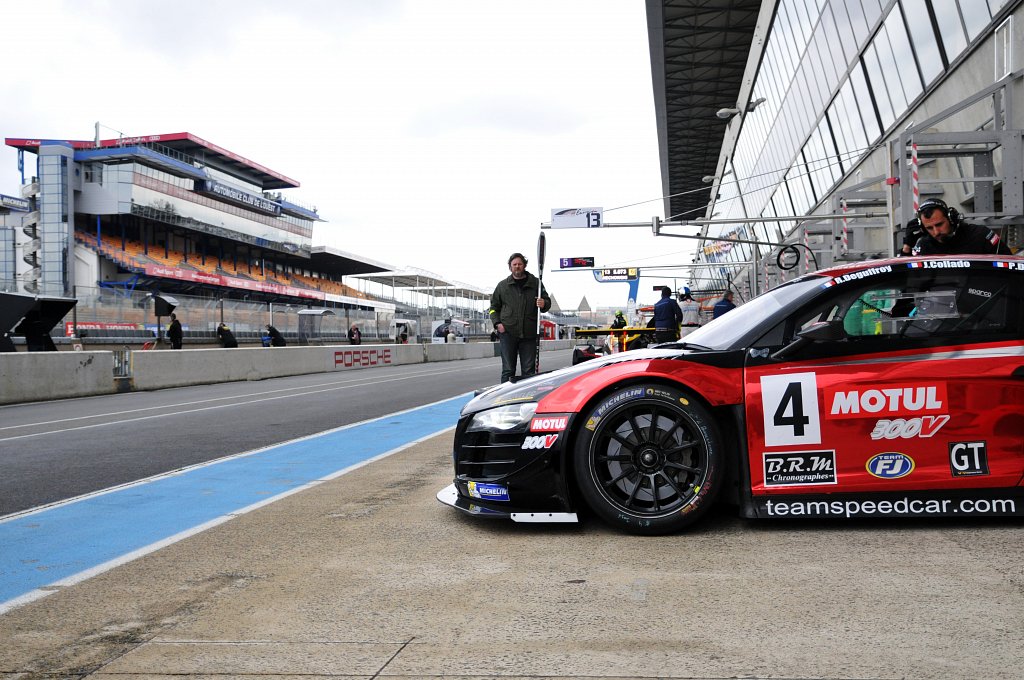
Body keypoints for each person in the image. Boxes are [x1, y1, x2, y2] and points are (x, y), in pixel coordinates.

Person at [489, 252, 551, 382]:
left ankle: (527, 397)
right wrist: (497, 324)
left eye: (520, 264)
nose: (517, 267)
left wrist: (544, 303)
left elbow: (547, 302)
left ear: (525, 266)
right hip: (507, 334)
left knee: (529, 371)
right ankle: (504, 399)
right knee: (508, 370)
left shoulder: (536, 283)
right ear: (510, 267)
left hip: (529, 335)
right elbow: (493, 308)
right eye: (514, 264)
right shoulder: (502, 286)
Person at [912, 198, 1011, 255]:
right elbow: (908, 282)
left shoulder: (980, 235)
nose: (936, 232)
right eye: (929, 228)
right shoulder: (923, 245)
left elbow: (1010, 265)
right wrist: (907, 246)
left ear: (951, 218)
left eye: (939, 224)